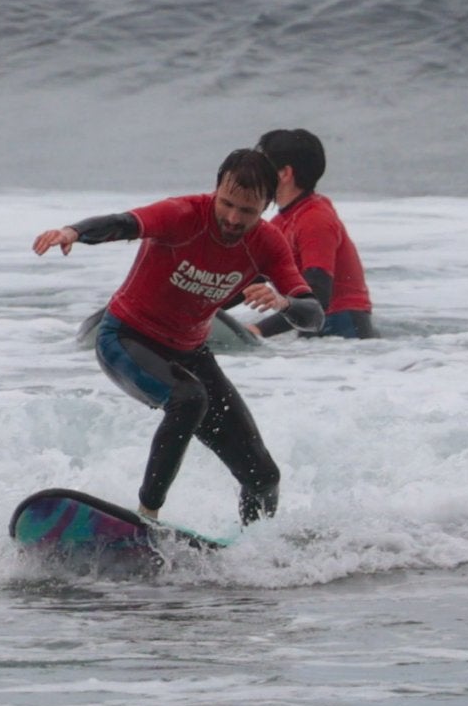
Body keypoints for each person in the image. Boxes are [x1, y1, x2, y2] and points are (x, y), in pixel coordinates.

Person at [32, 149, 323, 524]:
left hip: (189, 353)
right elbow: (124, 223)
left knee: (263, 476)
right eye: (227, 204)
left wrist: (283, 302)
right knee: (188, 398)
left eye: (247, 211)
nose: (233, 219)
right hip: (125, 339)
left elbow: (313, 316)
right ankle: (147, 514)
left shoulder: (268, 245)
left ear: (267, 206)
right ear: (215, 190)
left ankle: (255, 553)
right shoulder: (183, 215)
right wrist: (74, 231)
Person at [251, 128, 378, 339]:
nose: (253, 174)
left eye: (261, 166)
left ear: (285, 173)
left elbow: (318, 295)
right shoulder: (280, 222)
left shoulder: (315, 219)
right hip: (314, 331)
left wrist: (260, 329)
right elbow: (243, 278)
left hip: (344, 331)